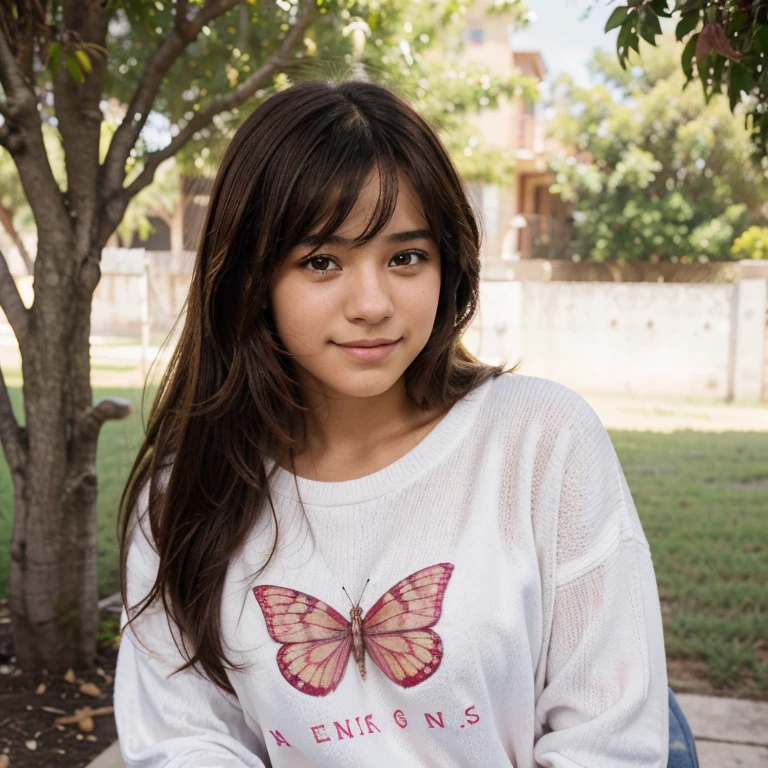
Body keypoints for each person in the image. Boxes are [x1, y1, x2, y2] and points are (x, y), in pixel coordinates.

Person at [113, 77, 672, 767]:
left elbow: (610, 740)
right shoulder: (181, 502)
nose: (372, 303)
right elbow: (185, 741)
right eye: (322, 261)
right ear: (252, 281)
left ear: (450, 264)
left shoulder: (540, 441)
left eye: (406, 257)